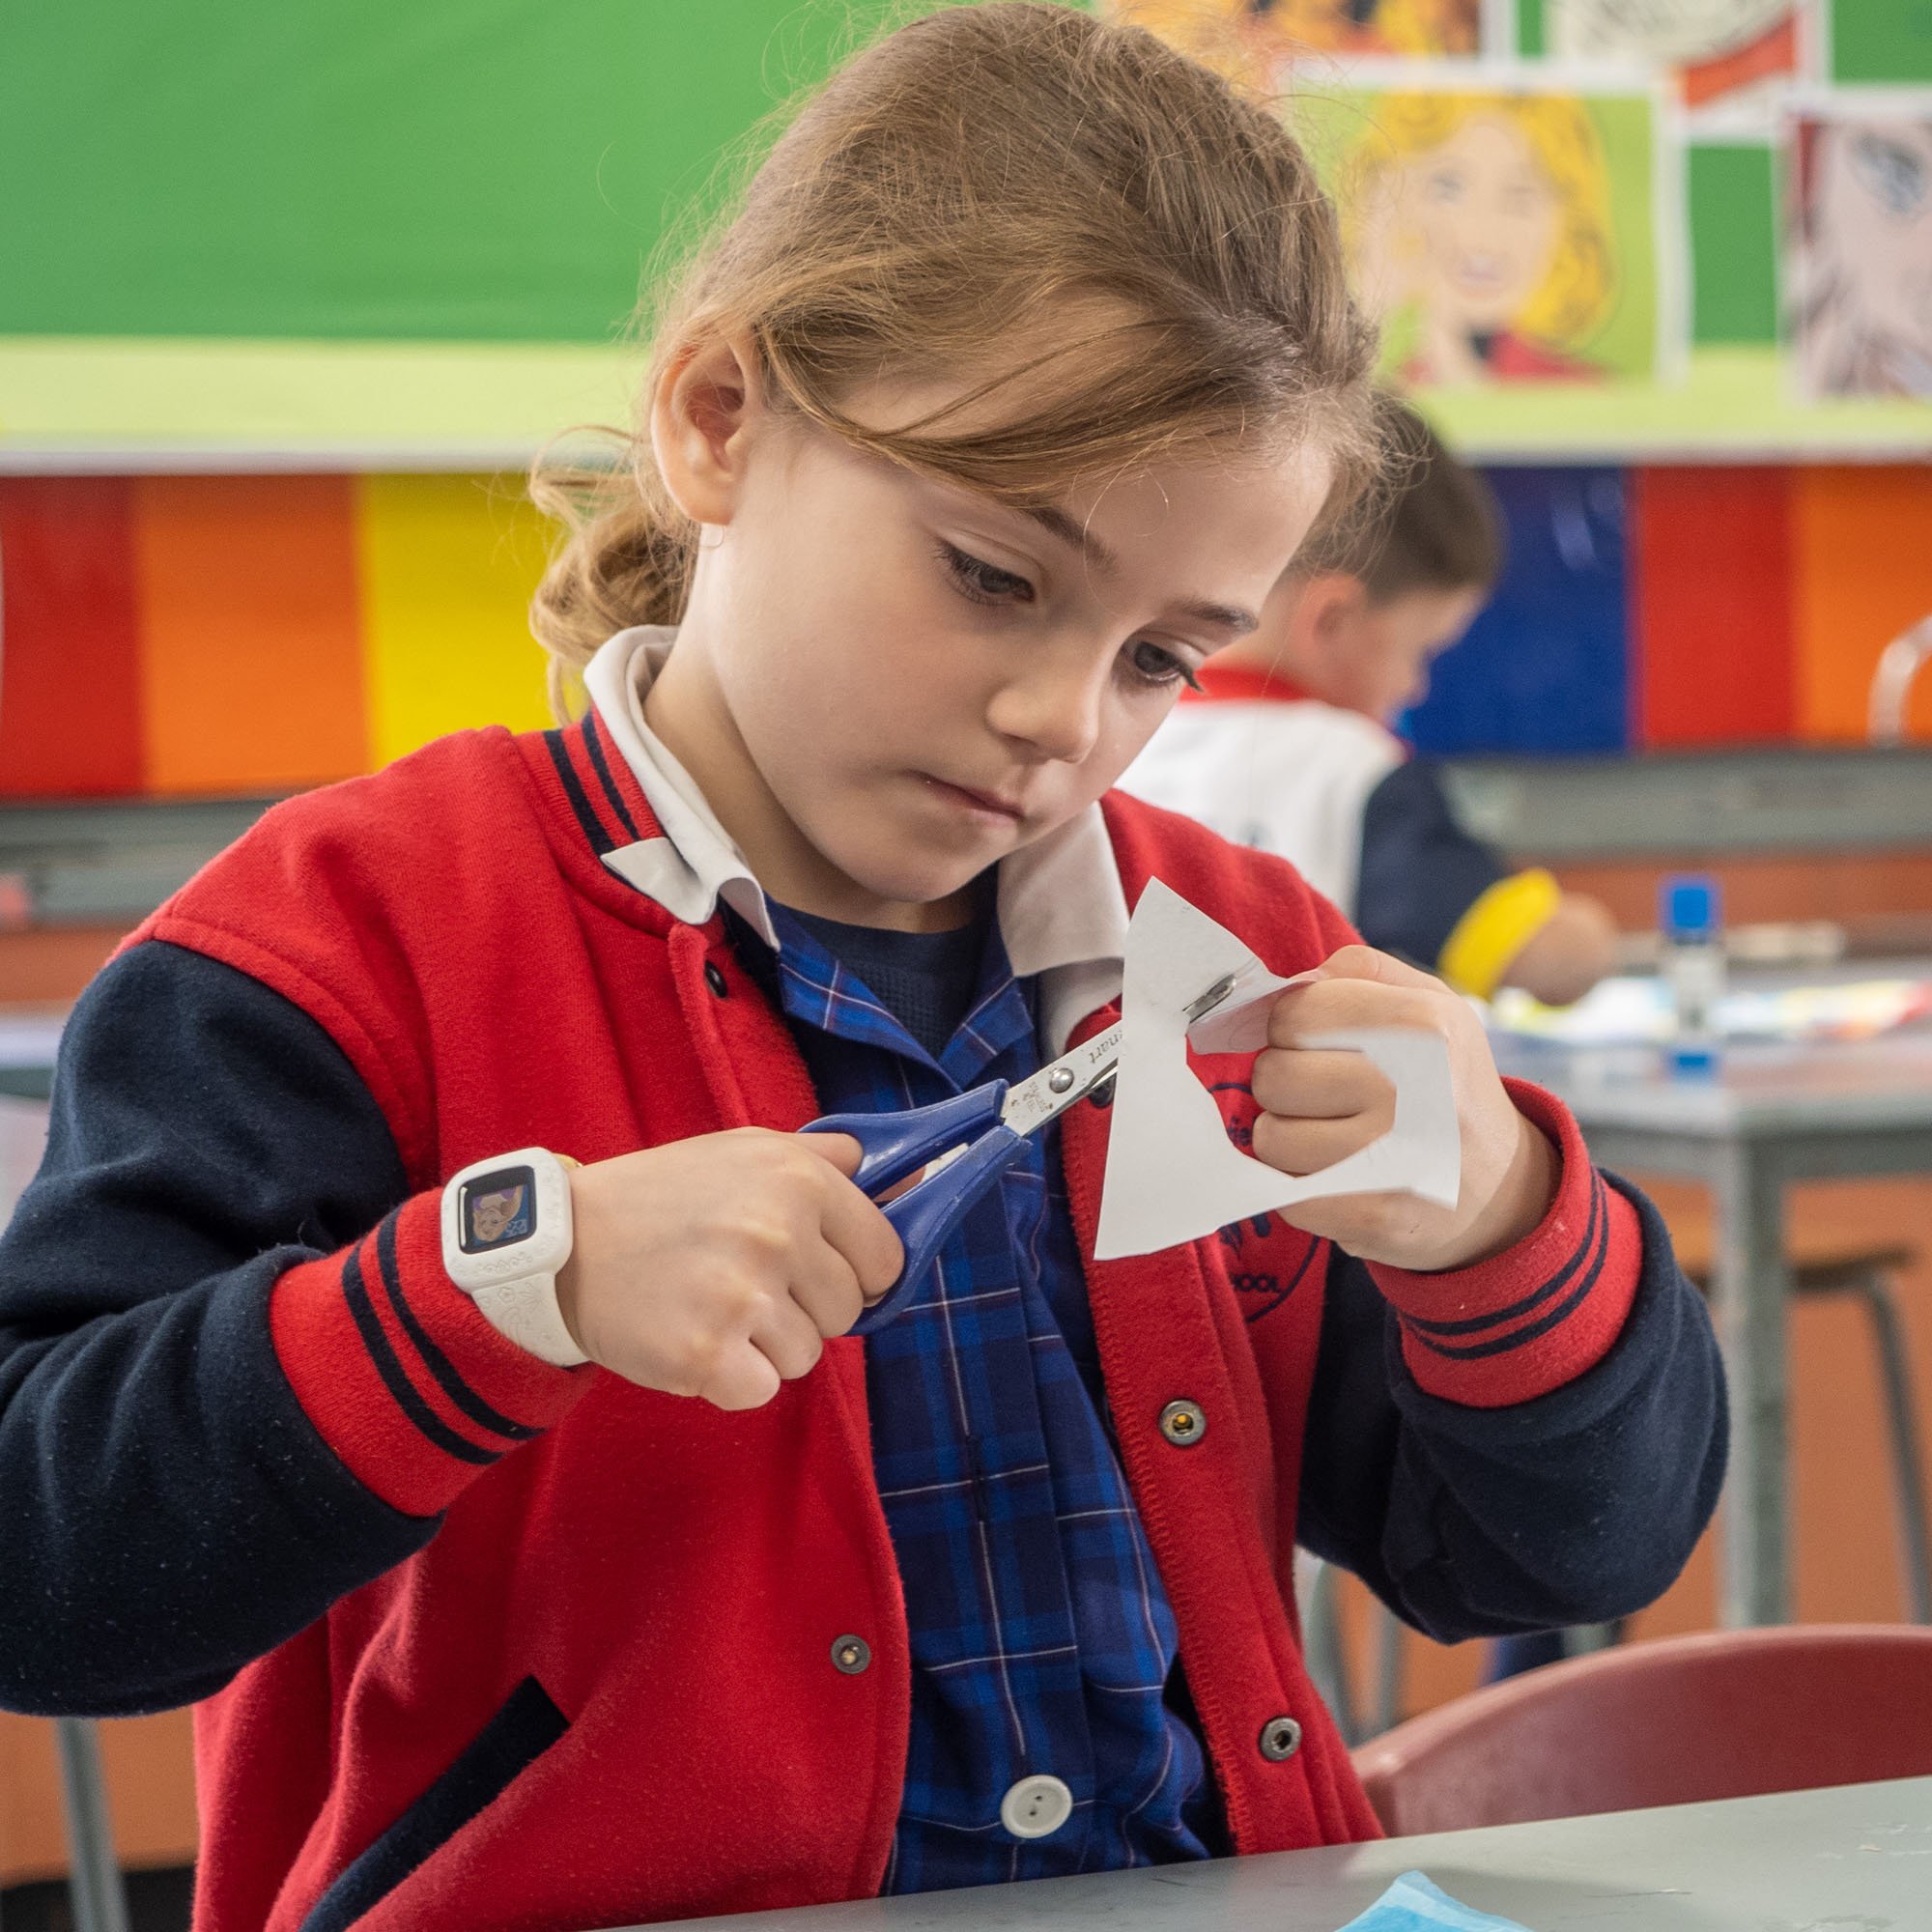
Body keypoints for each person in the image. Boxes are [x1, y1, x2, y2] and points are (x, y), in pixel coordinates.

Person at [0, 11, 1722, 1932]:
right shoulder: (347, 937)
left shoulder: (1222, 958)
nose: (1056, 717)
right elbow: (44, 1568)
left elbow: (1554, 1542)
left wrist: (1494, 1221)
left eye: (1165, 654)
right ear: (721, 419)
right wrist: (511, 1282)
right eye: (993, 573)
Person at [1123, 394, 1618, 1009]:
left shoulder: (1118, 732)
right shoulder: (1352, 769)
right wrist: (1588, 938)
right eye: (1421, 651)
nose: (1416, 686)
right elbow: (1534, 955)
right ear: (1332, 620)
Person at [1340, 92, 1616, 385]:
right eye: (1448, 190)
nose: (1482, 233)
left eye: (1519, 198)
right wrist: (1374, 301)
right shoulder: (1386, 381)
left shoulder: (1583, 389)